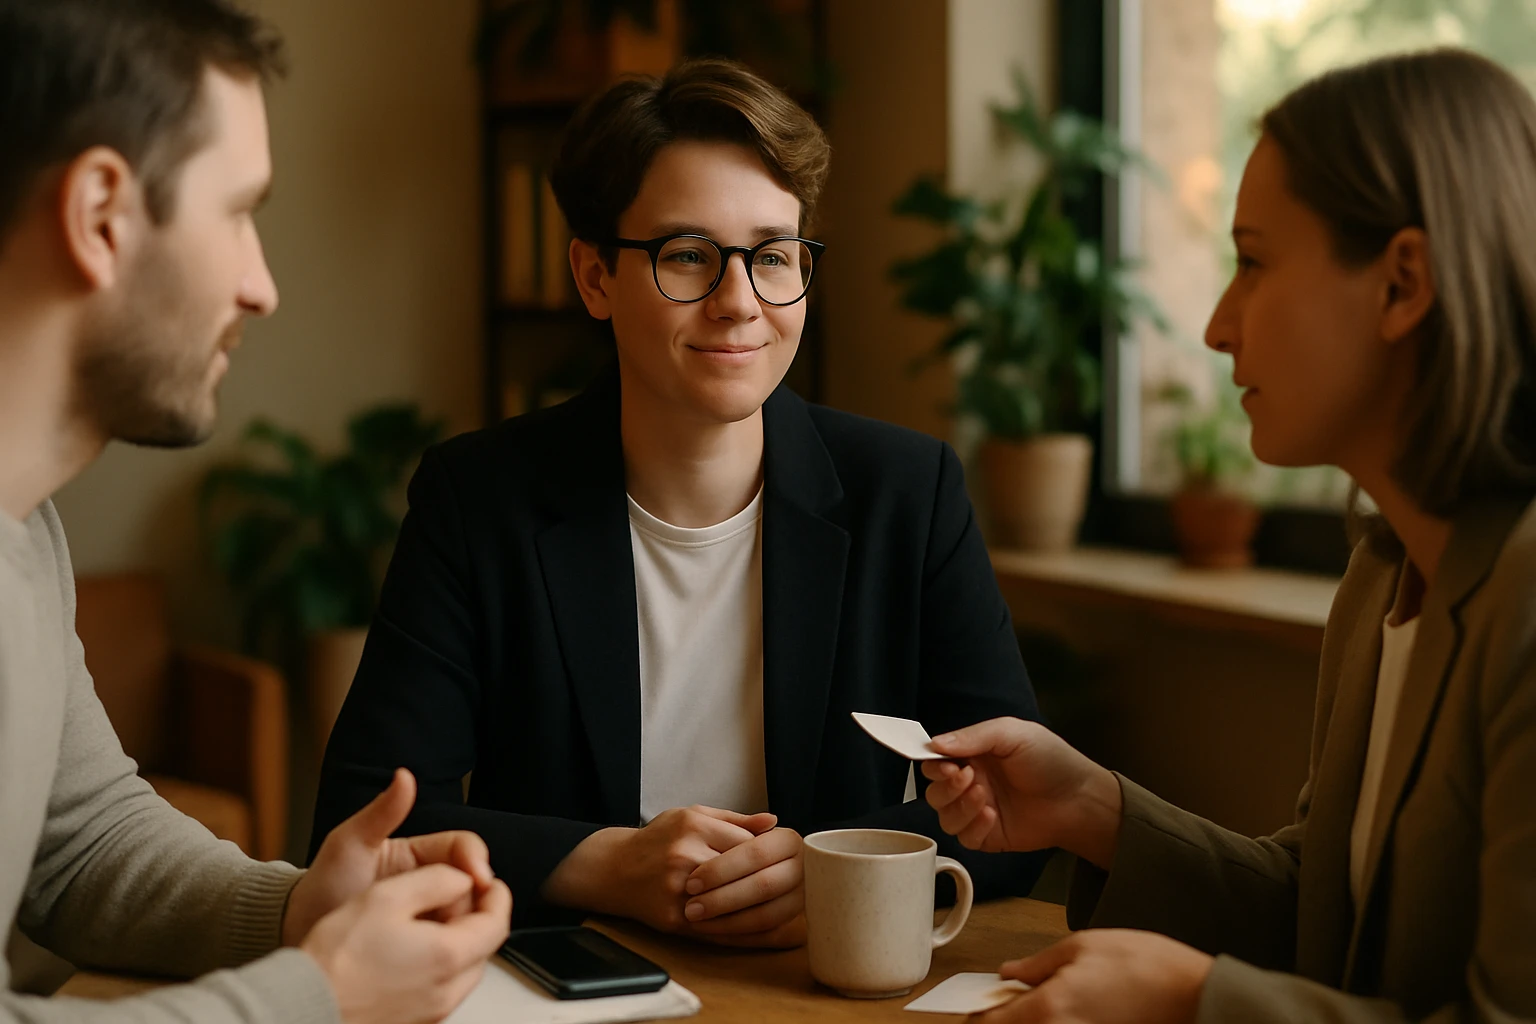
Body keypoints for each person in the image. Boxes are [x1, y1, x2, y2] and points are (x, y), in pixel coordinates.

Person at [311, 57, 1050, 947]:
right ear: (594, 277)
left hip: (809, 983)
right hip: (571, 983)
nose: (739, 302)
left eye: (772, 256)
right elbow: (362, 824)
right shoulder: (479, 501)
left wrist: (830, 868)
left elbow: (1017, 804)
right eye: (689, 256)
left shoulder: (906, 492)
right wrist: (603, 865)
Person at [919, 47, 1536, 1024]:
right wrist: (1093, 807)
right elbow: (1323, 921)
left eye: (1252, 261)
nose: (1217, 326)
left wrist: (1191, 1000)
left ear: (1402, 283)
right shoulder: (1385, 574)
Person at [0, 2, 512, 1021]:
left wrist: (295, 908)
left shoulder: (26, 526)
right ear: (100, 214)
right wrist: (319, 996)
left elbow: (85, 837)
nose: (261, 285)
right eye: (237, 212)